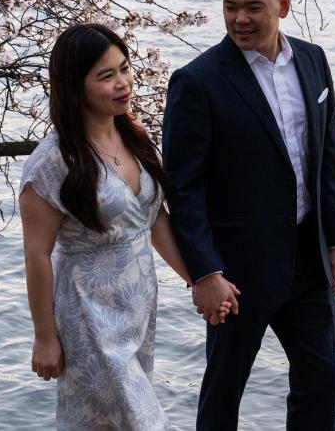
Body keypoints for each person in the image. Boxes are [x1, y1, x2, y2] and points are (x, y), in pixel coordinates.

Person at [163, 0, 335, 431]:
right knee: (225, 391)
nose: (239, 19)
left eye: (252, 7)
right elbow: (183, 190)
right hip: (237, 271)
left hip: (308, 258)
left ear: (282, 4)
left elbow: (327, 154)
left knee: (322, 377)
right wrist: (204, 272)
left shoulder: (313, 60)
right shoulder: (197, 82)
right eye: (230, 7)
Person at [20, 23, 234, 431]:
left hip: (135, 310)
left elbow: (152, 222)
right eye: (106, 76)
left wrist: (200, 279)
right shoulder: (53, 162)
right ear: (73, 87)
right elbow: (36, 253)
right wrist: (44, 336)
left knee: (110, 424)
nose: (123, 84)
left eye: (124, 68)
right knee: (140, 421)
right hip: (88, 314)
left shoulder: (133, 136)